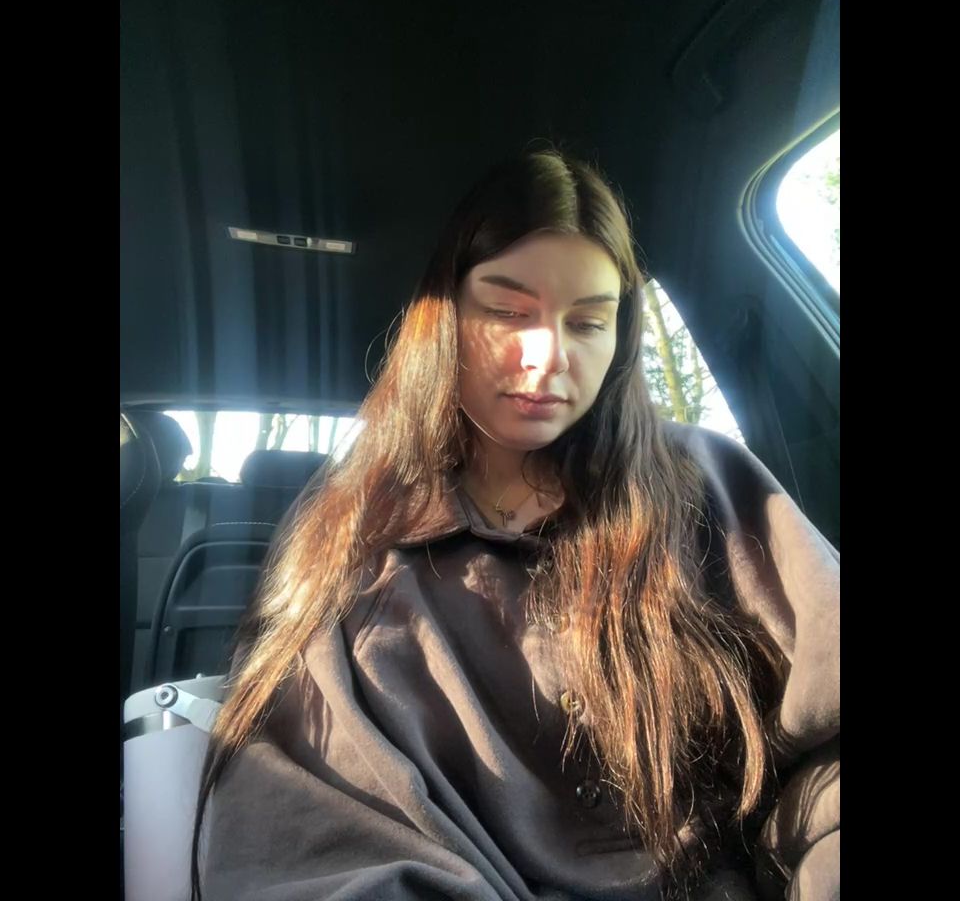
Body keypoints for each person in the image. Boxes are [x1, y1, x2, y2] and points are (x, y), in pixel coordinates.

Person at [192, 148, 839, 901]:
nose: (548, 357)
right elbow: (305, 829)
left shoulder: (708, 483)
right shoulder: (348, 535)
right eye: (507, 312)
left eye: (588, 321)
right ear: (443, 318)